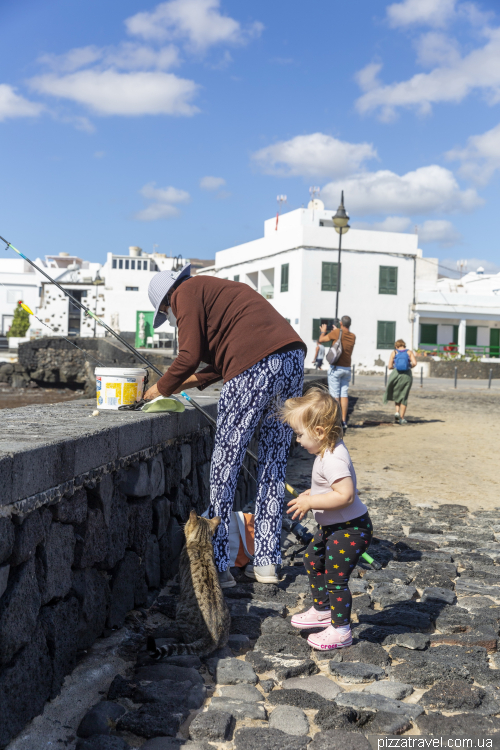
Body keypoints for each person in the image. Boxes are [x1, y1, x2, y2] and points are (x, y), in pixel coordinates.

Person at [144, 265, 306, 586]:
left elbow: (189, 356)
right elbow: (221, 363)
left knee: (225, 464)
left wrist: (158, 388)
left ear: (166, 302)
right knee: (272, 465)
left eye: (168, 314)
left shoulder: (185, 293)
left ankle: (220, 565)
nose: (173, 319)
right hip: (291, 360)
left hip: (252, 370)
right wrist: (180, 384)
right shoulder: (216, 293)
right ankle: (266, 563)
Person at [280, 387, 372, 650]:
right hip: (335, 527)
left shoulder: (333, 459)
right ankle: (322, 609)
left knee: (336, 579)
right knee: (311, 558)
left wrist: (310, 501)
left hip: (350, 530)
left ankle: (341, 629)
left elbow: (345, 496)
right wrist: (314, 493)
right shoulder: (326, 451)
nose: (297, 440)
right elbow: (330, 489)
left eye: (299, 434)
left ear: (319, 432)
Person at [318, 315, 355, 431]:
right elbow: (342, 339)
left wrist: (323, 332)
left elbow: (321, 340)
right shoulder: (353, 336)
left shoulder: (337, 332)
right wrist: (336, 331)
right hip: (347, 368)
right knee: (344, 394)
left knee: (334, 395)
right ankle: (344, 421)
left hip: (336, 368)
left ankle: (336, 421)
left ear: (341, 323)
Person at [384, 339, 417, 424]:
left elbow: (390, 366)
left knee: (397, 394)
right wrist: (409, 366)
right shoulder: (409, 352)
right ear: (404, 345)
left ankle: (397, 412)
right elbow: (415, 363)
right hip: (407, 375)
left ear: (396, 346)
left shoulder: (394, 352)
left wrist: (396, 366)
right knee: (404, 396)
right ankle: (402, 418)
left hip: (396, 375)